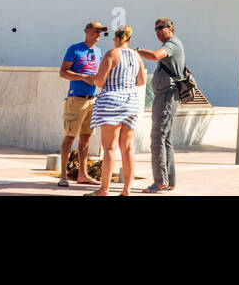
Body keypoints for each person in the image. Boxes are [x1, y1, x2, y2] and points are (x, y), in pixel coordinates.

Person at [89, 25, 144, 196]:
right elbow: (141, 81)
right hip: (131, 103)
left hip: (111, 101)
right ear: (129, 40)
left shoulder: (112, 54)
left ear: (116, 39)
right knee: (127, 148)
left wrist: (89, 78)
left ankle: (104, 189)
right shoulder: (136, 55)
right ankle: (126, 190)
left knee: (110, 148)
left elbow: (99, 81)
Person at [137, 17, 184, 193]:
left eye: (160, 28)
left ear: (170, 28)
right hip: (166, 96)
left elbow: (156, 55)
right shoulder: (173, 44)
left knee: (157, 138)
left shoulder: (172, 44)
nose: (157, 31)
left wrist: (137, 51)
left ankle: (160, 182)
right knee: (166, 139)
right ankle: (169, 181)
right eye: (155, 28)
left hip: (166, 96)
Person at [57, 21, 106, 187]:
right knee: (69, 137)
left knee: (86, 138)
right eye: (96, 31)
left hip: (92, 98)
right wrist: (83, 77)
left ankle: (82, 174)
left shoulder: (99, 51)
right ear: (86, 31)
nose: (99, 34)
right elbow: (63, 72)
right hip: (76, 98)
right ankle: (63, 175)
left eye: (101, 31)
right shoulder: (74, 49)